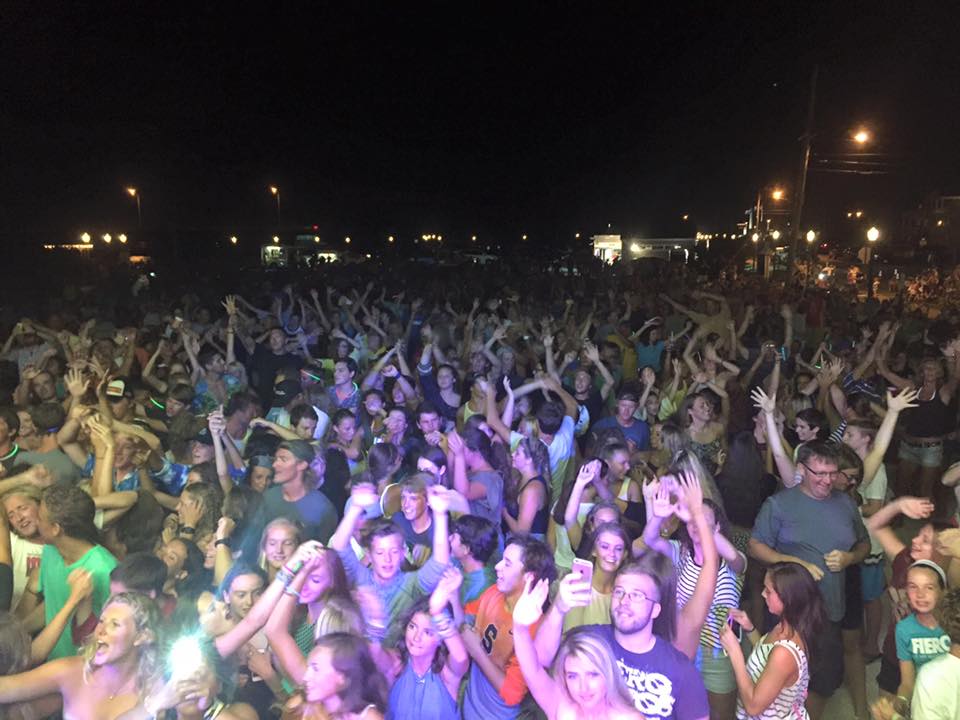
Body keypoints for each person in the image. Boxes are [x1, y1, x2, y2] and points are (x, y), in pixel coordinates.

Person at [748, 439, 870, 720]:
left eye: (833, 473)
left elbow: (864, 544)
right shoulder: (778, 505)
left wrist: (850, 558)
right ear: (801, 469)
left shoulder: (846, 504)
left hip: (830, 611)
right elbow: (755, 546)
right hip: (788, 612)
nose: (828, 481)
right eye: (820, 473)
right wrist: (794, 562)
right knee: (778, 682)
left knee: (822, 681)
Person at [534, 558, 710, 720]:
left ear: (655, 610)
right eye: (619, 592)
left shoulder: (681, 670)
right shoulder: (590, 639)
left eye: (637, 595)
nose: (624, 601)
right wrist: (558, 609)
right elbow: (541, 658)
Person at [0, 592, 161, 720]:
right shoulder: (72, 671)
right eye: (101, 621)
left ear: (142, 637)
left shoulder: (155, 690)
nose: (101, 630)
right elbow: (5, 689)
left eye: (115, 624)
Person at [328, 482, 450, 646]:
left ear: (402, 553)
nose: (387, 559)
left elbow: (440, 562)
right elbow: (339, 547)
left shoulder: (412, 583)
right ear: (369, 555)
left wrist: (440, 515)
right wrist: (355, 508)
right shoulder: (361, 577)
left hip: (397, 657)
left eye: (393, 552)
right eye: (380, 553)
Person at [512, 578, 643, 720]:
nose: (583, 688)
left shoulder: (630, 718)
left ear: (608, 673)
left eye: (593, 675)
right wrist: (519, 627)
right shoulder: (560, 705)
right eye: (572, 676)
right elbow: (532, 671)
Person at [460, 535, 558, 720]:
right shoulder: (494, 592)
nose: (497, 566)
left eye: (507, 563)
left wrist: (477, 651)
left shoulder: (534, 629)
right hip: (469, 699)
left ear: (529, 576)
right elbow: (468, 615)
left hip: (492, 715)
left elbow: (512, 695)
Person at [719, 562, 826, 719]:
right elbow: (767, 657)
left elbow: (753, 706)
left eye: (768, 591)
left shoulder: (785, 654)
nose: (763, 594)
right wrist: (750, 628)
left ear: (787, 599)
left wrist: (735, 652)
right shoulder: (787, 625)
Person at [30, 484, 117, 659]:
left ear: (56, 529)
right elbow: (52, 603)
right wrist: (18, 630)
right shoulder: (50, 550)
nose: (36, 522)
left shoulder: (105, 570)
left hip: (80, 669)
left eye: (40, 517)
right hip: (50, 663)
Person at [386, 568, 469, 720]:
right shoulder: (397, 662)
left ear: (440, 639)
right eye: (412, 626)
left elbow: (461, 658)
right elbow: (371, 654)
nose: (416, 638)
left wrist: (438, 612)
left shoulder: (447, 674)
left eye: (428, 632)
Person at [281, 632, 389, 720]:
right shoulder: (303, 708)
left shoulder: (368, 717)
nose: (306, 677)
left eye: (316, 669)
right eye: (309, 667)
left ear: (343, 677)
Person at [894, 560, 950, 701]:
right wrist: (900, 703)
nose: (920, 594)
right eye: (913, 587)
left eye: (929, 587)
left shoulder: (954, 624)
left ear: (943, 591)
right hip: (925, 699)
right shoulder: (904, 629)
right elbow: (907, 683)